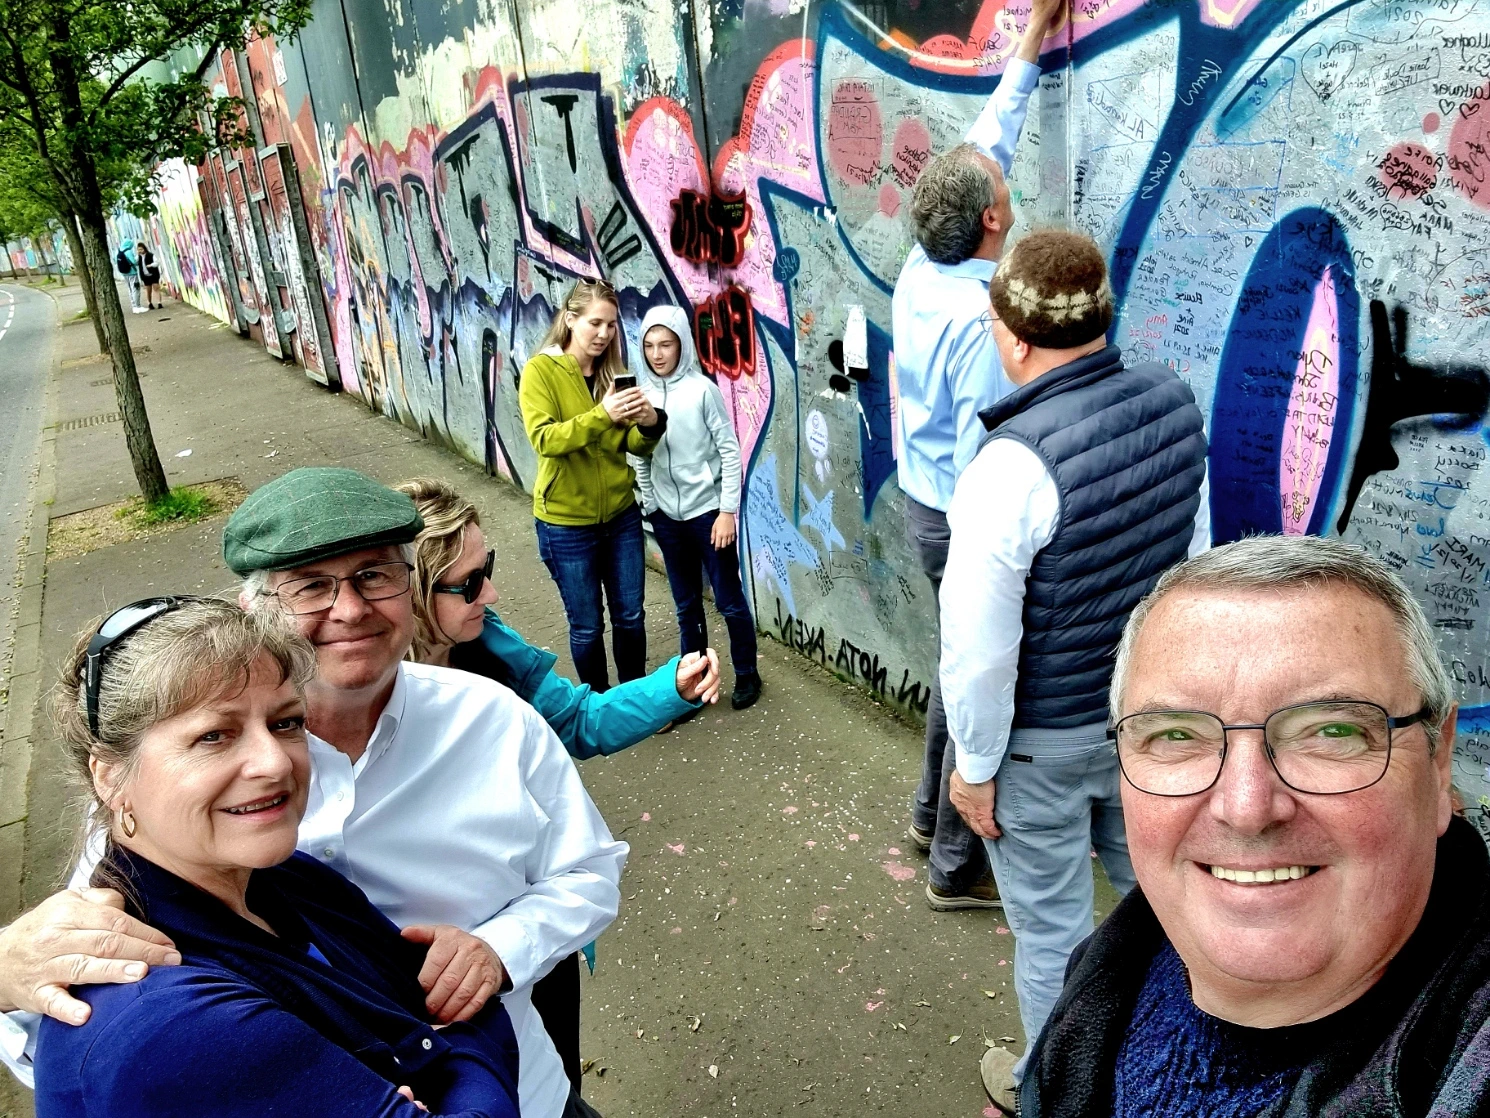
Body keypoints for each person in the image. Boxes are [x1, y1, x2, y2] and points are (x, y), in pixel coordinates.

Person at [2, 467, 625, 1118]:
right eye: (311, 586)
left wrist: (502, 948)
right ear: (255, 613)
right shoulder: (155, 808)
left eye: (375, 576)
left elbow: (588, 870)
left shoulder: (494, 721)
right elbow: (72, 1015)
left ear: (409, 590)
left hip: (536, 1094)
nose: (351, 609)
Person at [1021, 535, 1490, 1117]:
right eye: (1176, 735)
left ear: (1437, 761)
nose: (1246, 808)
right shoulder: (1115, 960)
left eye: (1332, 732)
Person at [34, 597, 520, 1117]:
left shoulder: (284, 880)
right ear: (110, 776)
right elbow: (450, 1036)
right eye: (214, 735)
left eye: (286, 723)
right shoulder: (174, 1020)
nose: (273, 762)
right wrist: (468, 1036)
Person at [940, 229, 1209, 1113]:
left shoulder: (1007, 468)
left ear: (1012, 336)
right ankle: (1174, 1070)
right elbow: (1189, 570)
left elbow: (980, 654)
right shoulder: (1175, 405)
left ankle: (1052, 1090)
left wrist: (974, 769)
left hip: (1042, 747)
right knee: (1166, 910)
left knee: (1052, 935)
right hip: (1154, 723)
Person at [395, 474, 722, 1094]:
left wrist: (668, 688)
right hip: (425, 982)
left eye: (485, 565)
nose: (489, 590)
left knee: (555, 1079)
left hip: (532, 939)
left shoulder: (488, 643)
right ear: (411, 594)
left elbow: (576, 719)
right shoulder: (343, 712)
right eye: (468, 582)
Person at [895, 0, 1065, 913]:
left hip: (924, 503)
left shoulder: (929, 259)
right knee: (981, 676)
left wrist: (1035, 31)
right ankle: (955, 868)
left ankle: (928, 812)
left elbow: (986, 133)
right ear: (996, 221)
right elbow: (983, 457)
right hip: (959, 517)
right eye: (1002, 189)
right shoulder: (976, 321)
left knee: (958, 664)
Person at [520, 279, 666, 692]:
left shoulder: (612, 374)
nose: (604, 334)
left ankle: (633, 699)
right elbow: (545, 439)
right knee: (586, 626)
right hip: (566, 523)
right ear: (570, 319)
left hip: (620, 516)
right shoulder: (541, 371)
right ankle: (598, 707)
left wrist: (650, 424)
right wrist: (603, 414)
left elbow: (628, 445)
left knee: (630, 616)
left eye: (612, 325)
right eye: (595, 323)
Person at [629, 305, 762, 712]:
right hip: (668, 518)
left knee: (728, 600)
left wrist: (727, 511)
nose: (657, 353)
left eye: (666, 344)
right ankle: (697, 682)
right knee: (686, 605)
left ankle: (747, 674)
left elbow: (728, 450)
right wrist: (651, 504)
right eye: (649, 345)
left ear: (681, 343)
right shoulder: (641, 394)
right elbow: (639, 455)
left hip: (708, 515)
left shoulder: (702, 390)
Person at [115, 238, 145, 313]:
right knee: (135, 288)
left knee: (130, 289)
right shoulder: (128, 252)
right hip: (132, 272)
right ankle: (138, 306)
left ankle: (134, 306)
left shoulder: (118, 251)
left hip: (124, 273)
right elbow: (134, 262)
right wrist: (138, 258)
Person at [137, 239, 163, 310]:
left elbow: (157, 263)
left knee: (156, 288)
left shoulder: (151, 255)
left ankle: (159, 303)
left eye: (141, 249)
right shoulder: (138, 257)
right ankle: (149, 303)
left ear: (144, 249)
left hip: (153, 274)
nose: (140, 251)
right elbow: (135, 263)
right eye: (139, 249)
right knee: (148, 290)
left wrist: (151, 265)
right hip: (145, 276)